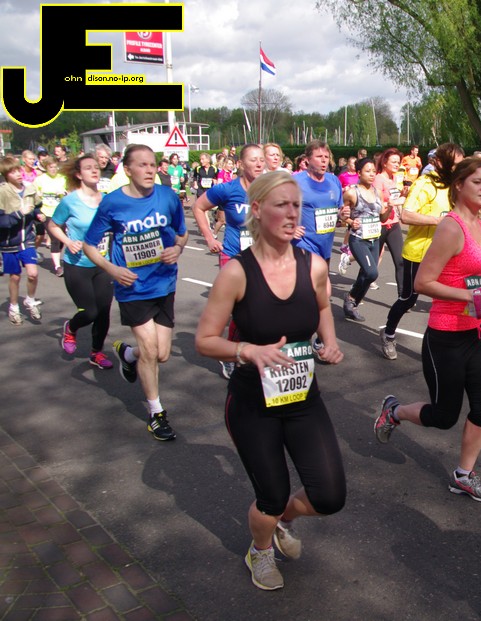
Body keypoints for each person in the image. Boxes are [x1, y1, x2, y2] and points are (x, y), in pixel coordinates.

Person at [195, 170, 345, 591]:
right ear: (258, 210)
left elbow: (323, 307)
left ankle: (282, 520)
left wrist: (330, 342)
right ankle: (259, 550)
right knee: (271, 495)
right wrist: (247, 350)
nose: (293, 213)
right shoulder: (237, 273)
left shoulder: (314, 266)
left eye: (297, 205)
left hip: (302, 398)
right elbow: (204, 340)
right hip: (252, 404)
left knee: (329, 496)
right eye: (282, 205)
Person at [373, 157, 481, 502]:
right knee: (444, 416)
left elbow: (464, 271)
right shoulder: (451, 227)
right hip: (445, 336)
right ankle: (394, 411)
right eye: (477, 182)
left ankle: (463, 475)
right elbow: (423, 282)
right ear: (459, 185)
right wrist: (471, 295)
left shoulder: (479, 223)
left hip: (475, 331)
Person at [82, 144, 188, 441]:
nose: (150, 170)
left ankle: (128, 354)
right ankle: (156, 413)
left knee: (161, 354)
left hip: (164, 282)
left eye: (152, 164)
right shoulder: (113, 203)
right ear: (127, 170)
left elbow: (182, 233)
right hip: (132, 286)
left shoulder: (167, 197)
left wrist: (178, 248)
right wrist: (112, 269)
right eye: (142, 165)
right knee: (151, 350)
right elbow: (89, 244)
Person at [378, 142, 464, 360]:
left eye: (460, 165)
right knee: (408, 299)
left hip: (444, 255)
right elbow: (406, 215)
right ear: (440, 162)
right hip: (419, 253)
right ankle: (388, 334)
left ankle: (445, 344)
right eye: (455, 165)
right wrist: (439, 221)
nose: (458, 169)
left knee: (448, 300)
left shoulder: (455, 185)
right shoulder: (424, 184)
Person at [193, 144, 266, 378]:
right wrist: (209, 237)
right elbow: (198, 207)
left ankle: (249, 349)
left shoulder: (268, 189)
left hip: (260, 255)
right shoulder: (227, 189)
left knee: (257, 307)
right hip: (233, 255)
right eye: (253, 160)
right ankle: (231, 354)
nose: (258, 164)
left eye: (261, 159)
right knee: (240, 308)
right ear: (241, 164)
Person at [47, 155, 114, 369]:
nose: (94, 171)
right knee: (89, 312)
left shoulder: (107, 200)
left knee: (103, 312)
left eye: (96, 167)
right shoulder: (70, 201)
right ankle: (71, 328)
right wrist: (68, 241)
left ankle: (96, 353)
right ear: (78, 174)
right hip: (77, 265)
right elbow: (53, 225)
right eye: (88, 168)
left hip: (103, 264)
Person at [338, 157, 391, 322]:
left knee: (367, 275)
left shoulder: (377, 192)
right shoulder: (352, 193)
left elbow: (382, 218)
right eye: (368, 171)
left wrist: (389, 207)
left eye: (374, 171)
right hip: (358, 239)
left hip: (374, 238)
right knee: (371, 272)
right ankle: (351, 296)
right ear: (359, 173)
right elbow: (341, 215)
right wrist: (350, 221)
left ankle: (352, 304)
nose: (372, 174)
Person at [0, 156, 43, 325]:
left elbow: (36, 206)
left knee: (33, 273)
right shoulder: (2, 192)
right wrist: (19, 213)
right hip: (9, 241)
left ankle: (30, 300)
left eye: (18, 170)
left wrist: (38, 214)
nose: (18, 174)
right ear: (6, 175)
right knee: (15, 277)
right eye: (12, 172)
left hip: (28, 239)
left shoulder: (29, 188)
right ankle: (13, 306)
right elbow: (1, 221)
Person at [371, 148, 406, 292]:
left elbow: (394, 199)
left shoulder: (394, 179)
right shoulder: (378, 179)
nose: (397, 164)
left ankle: (403, 297)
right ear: (384, 163)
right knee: (371, 266)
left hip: (393, 223)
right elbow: (378, 204)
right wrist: (392, 203)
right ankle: (355, 295)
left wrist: (402, 197)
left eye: (398, 162)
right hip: (379, 225)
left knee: (401, 261)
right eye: (394, 162)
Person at [32, 158, 68, 276]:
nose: (53, 169)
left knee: (62, 239)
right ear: (46, 168)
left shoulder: (62, 178)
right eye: (50, 167)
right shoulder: (39, 180)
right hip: (46, 212)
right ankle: (57, 267)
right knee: (55, 239)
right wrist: (38, 212)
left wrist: (64, 192)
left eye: (55, 167)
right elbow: (33, 197)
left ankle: (57, 256)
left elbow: (69, 193)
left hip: (61, 212)